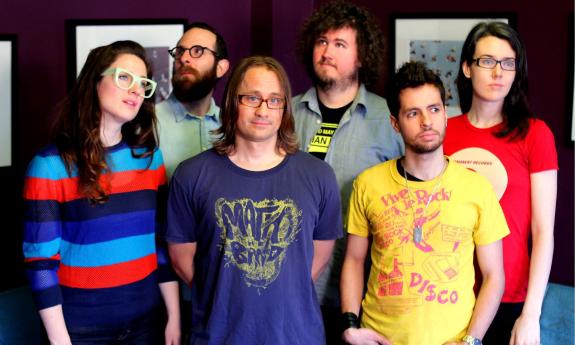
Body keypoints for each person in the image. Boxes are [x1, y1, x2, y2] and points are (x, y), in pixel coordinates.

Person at [165, 56, 342, 345]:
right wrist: (227, 295)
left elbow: (318, 256)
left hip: (296, 335)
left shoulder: (319, 175)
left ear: (285, 108)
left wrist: (280, 287)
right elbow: (181, 257)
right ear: (233, 101)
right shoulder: (191, 175)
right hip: (217, 335)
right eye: (252, 98)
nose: (263, 110)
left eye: (274, 100)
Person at [340, 61, 509, 345]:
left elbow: (494, 276)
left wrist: (472, 341)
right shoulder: (368, 184)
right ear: (395, 123)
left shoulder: (476, 187)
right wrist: (350, 326)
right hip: (379, 339)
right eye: (413, 113)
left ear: (445, 115)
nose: (426, 122)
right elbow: (354, 260)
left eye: (434, 109)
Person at [22, 41, 180, 344]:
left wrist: (174, 316)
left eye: (144, 83)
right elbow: (40, 263)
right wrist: (60, 340)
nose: (136, 90)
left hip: (147, 324)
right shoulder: (49, 166)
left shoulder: (150, 159)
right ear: (95, 80)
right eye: (125, 78)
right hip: (79, 331)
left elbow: (160, 243)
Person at [292, 1, 403, 339]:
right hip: (294, 286)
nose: (327, 52)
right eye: (322, 42)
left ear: (361, 57)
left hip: (360, 293)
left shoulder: (389, 119)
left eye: (340, 44)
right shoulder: (284, 113)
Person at [444, 22, 558, 345]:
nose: (499, 72)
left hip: (511, 298)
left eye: (509, 63)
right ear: (467, 67)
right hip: (447, 293)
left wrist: (531, 314)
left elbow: (543, 231)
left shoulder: (535, 135)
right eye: (488, 61)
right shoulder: (441, 132)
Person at [156, 22, 230, 179]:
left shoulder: (233, 126)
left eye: (197, 51)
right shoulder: (148, 123)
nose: (183, 58)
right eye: (180, 51)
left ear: (220, 68)